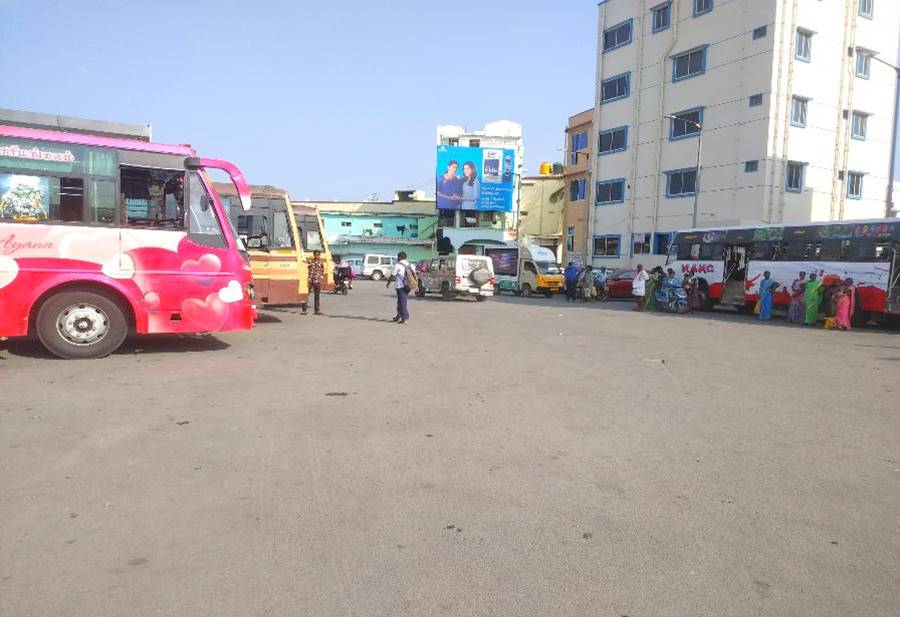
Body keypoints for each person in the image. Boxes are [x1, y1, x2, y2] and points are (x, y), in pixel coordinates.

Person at [387, 251, 411, 324]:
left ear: (400, 257)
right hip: (408, 285)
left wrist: (388, 282)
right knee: (400, 301)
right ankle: (399, 315)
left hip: (401, 286)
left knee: (402, 302)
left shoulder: (398, 265)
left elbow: (393, 275)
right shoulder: (410, 264)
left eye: (398, 257)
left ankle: (405, 318)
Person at [303, 249, 325, 315]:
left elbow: (322, 270)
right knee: (306, 295)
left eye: (318, 254)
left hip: (317, 280)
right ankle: (304, 310)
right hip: (310, 280)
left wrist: (321, 276)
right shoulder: (310, 261)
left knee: (317, 296)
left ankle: (317, 311)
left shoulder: (321, 262)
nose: (317, 256)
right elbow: (305, 267)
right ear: (314, 255)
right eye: (316, 254)